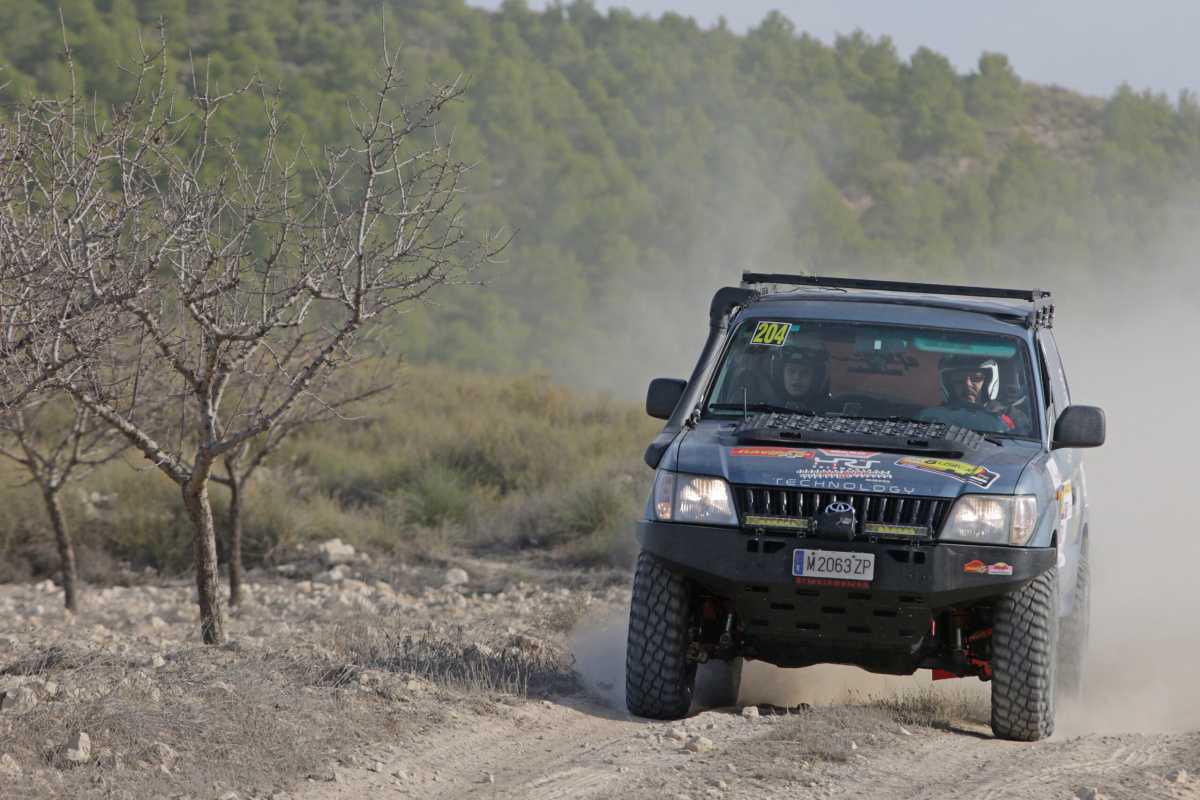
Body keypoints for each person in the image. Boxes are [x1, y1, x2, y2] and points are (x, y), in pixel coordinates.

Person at [921, 354, 1026, 433]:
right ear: (948, 385)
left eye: (976, 379)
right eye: (958, 380)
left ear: (989, 381)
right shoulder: (932, 418)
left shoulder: (1012, 418)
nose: (967, 385)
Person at [773, 337, 831, 413]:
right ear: (780, 374)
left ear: (816, 378)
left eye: (805, 372)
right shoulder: (763, 406)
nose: (797, 378)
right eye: (791, 371)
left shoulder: (831, 411)